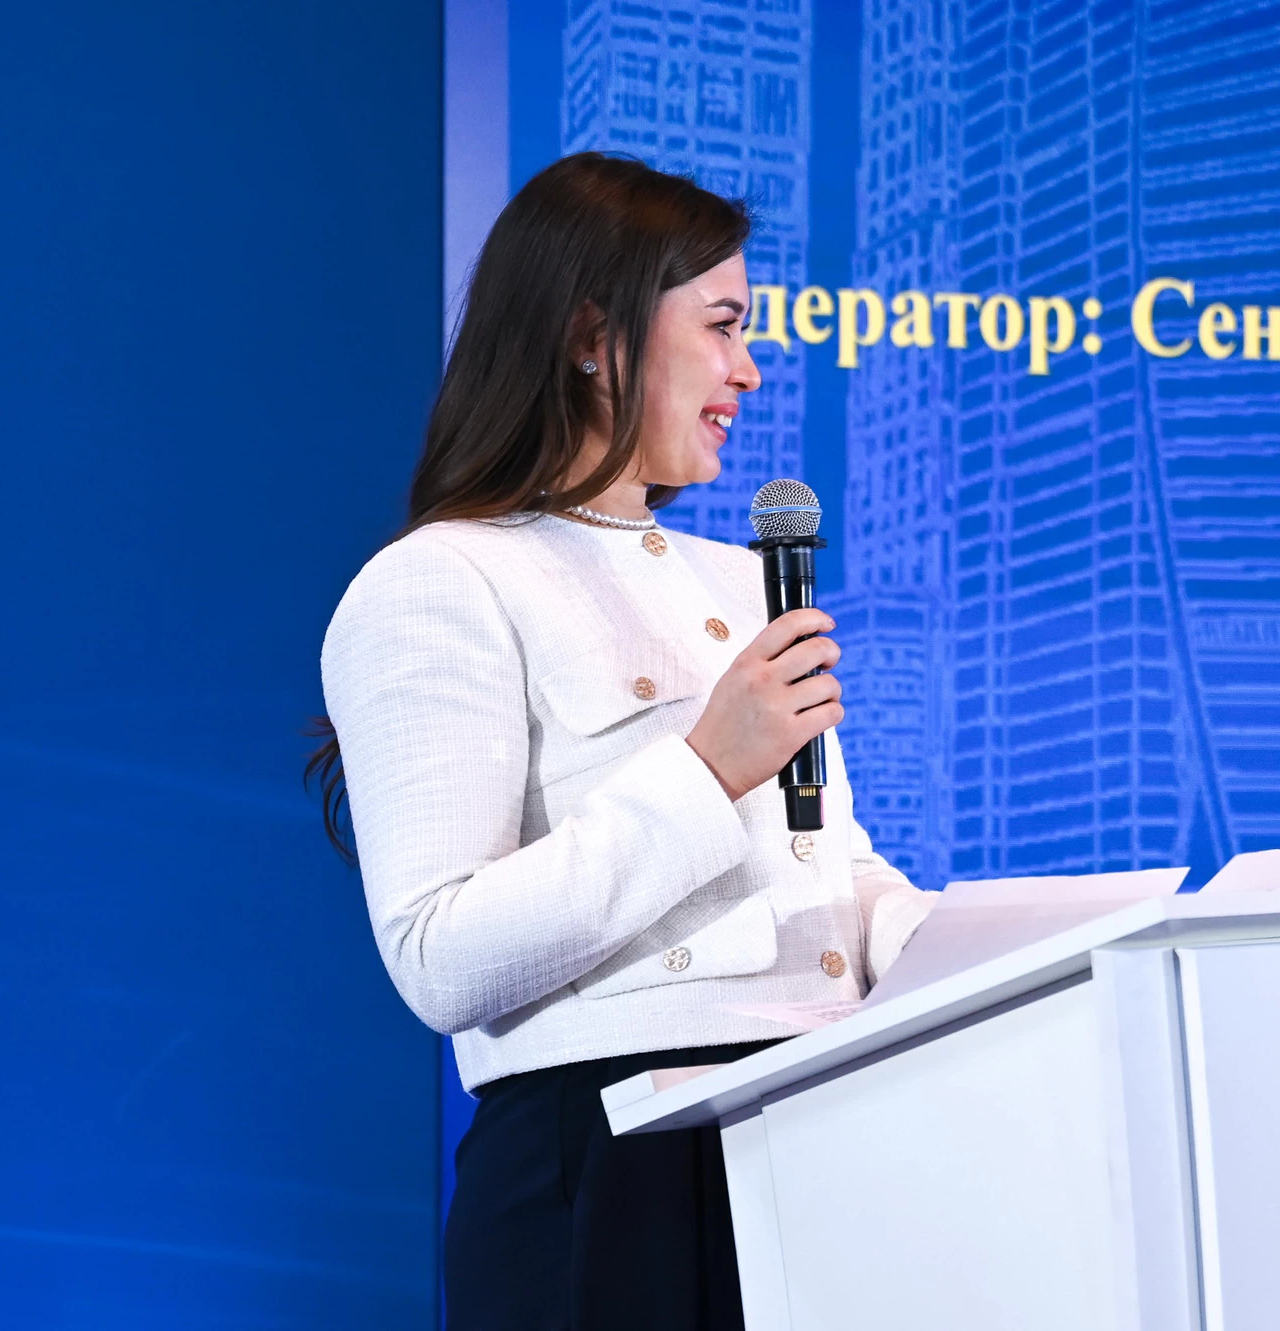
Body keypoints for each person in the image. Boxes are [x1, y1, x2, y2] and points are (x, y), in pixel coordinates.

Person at [311, 153, 934, 1330]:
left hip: (813, 1132)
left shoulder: (741, 580)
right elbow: (439, 955)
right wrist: (705, 769)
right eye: (723, 326)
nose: (749, 369)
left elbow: (825, 863)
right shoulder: (440, 581)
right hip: (612, 1168)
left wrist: (939, 944)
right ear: (594, 338)